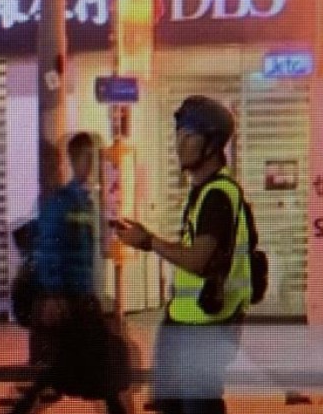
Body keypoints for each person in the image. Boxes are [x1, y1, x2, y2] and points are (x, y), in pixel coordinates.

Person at [114, 95, 252, 414]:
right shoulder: (204, 192)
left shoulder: (218, 195)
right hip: (189, 320)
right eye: (178, 135)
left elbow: (198, 261)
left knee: (198, 405)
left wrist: (149, 242)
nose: (179, 144)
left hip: (208, 324)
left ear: (211, 144)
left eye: (188, 136)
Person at [13, 132, 135, 414]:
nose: (92, 165)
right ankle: (24, 405)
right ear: (75, 160)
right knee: (95, 361)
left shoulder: (85, 201)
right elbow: (50, 250)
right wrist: (54, 294)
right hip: (71, 298)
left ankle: (24, 405)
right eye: (88, 159)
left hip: (80, 295)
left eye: (94, 159)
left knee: (73, 363)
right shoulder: (63, 202)